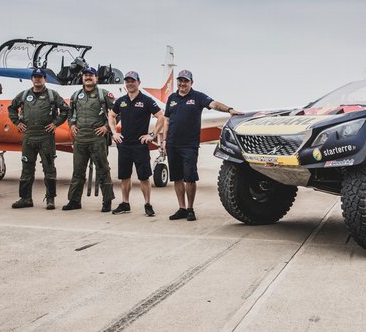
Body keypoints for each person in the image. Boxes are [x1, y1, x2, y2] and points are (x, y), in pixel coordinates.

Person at [164, 70, 242, 221]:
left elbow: (214, 104)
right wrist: (165, 141)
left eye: (185, 81)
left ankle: (190, 209)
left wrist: (229, 110)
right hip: (172, 144)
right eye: (180, 81)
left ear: (191, 82)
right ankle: (181, 208)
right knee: (177, 178)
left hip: (189, 145)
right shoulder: (172, 98)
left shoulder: (198, 97)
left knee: (190, 178)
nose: (182, 84)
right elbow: (167, 119)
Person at [8, 67, 69, 209]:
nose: (37, 79)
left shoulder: (52, 95)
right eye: (35, 77)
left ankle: (50, 199)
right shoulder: (23, 95)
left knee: (49, 169)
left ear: (44, 79)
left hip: (46, 137)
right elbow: (11, 108)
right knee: (26, 169)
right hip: (29, 137)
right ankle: (25, 198)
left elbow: (65, 110)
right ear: (32, 79)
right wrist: (17, 122)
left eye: (40, 77)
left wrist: (55, 124)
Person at [108, 71, 164, 217]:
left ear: (138, 82)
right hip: (124, 144)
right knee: (124, 177)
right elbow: (111, 115)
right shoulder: (121, 101)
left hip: (140, 145)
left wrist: (152, 135)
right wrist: (114, 132)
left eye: (132, 81)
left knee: (144, 177)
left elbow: (161, 116)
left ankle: (147, 204)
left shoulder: (146, 100)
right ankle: (125, 203)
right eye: (127, 81)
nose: (129, 83)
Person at [63, 66, 116, 212]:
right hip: (80, 139)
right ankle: (74, 201)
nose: (88, 77)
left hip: (97, 139)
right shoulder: (75, 95)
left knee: (103, 170)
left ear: (96, 78)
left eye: (91, 75)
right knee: (78, 172)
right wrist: (72, 125)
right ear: (82, 78)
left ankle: (107, 202)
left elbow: (117, 113)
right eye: (85, 75)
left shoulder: (104, 95)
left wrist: (106, 127)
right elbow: (70, 113)